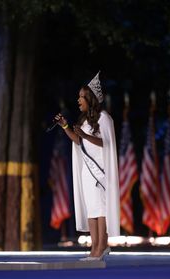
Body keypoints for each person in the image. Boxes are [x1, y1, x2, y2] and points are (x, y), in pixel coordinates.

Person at [55, 72, 120, 261]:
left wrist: (84, 136)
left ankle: (102, 247)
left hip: (100, 172)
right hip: (87, 173)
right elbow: (78, 141)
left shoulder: (104, 118)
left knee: (101, 211)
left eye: (81, 97)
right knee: (92, 210)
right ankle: (94, 249)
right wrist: (66, 127)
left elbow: (105, 143)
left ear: (89, 98)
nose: (78, 100)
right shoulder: (84, 121)